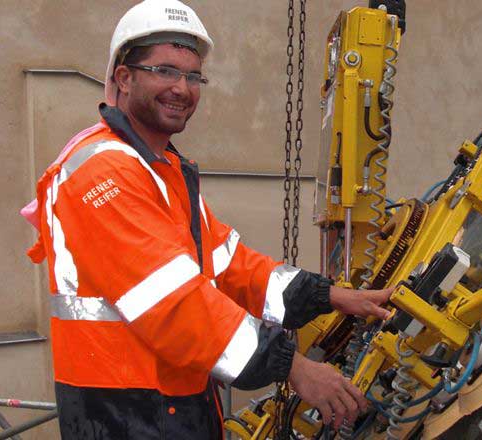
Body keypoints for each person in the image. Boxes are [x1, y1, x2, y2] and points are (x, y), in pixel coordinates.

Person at [22, 0, 391, 437]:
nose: (182, 87)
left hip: (172, 404)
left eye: (193, 75)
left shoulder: (162, 170)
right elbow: (174, 304)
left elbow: (233, 267)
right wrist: (292, 367)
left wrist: (329, 296)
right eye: (165, 71)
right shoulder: (103, 173)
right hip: (125, 414)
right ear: (124, 77)